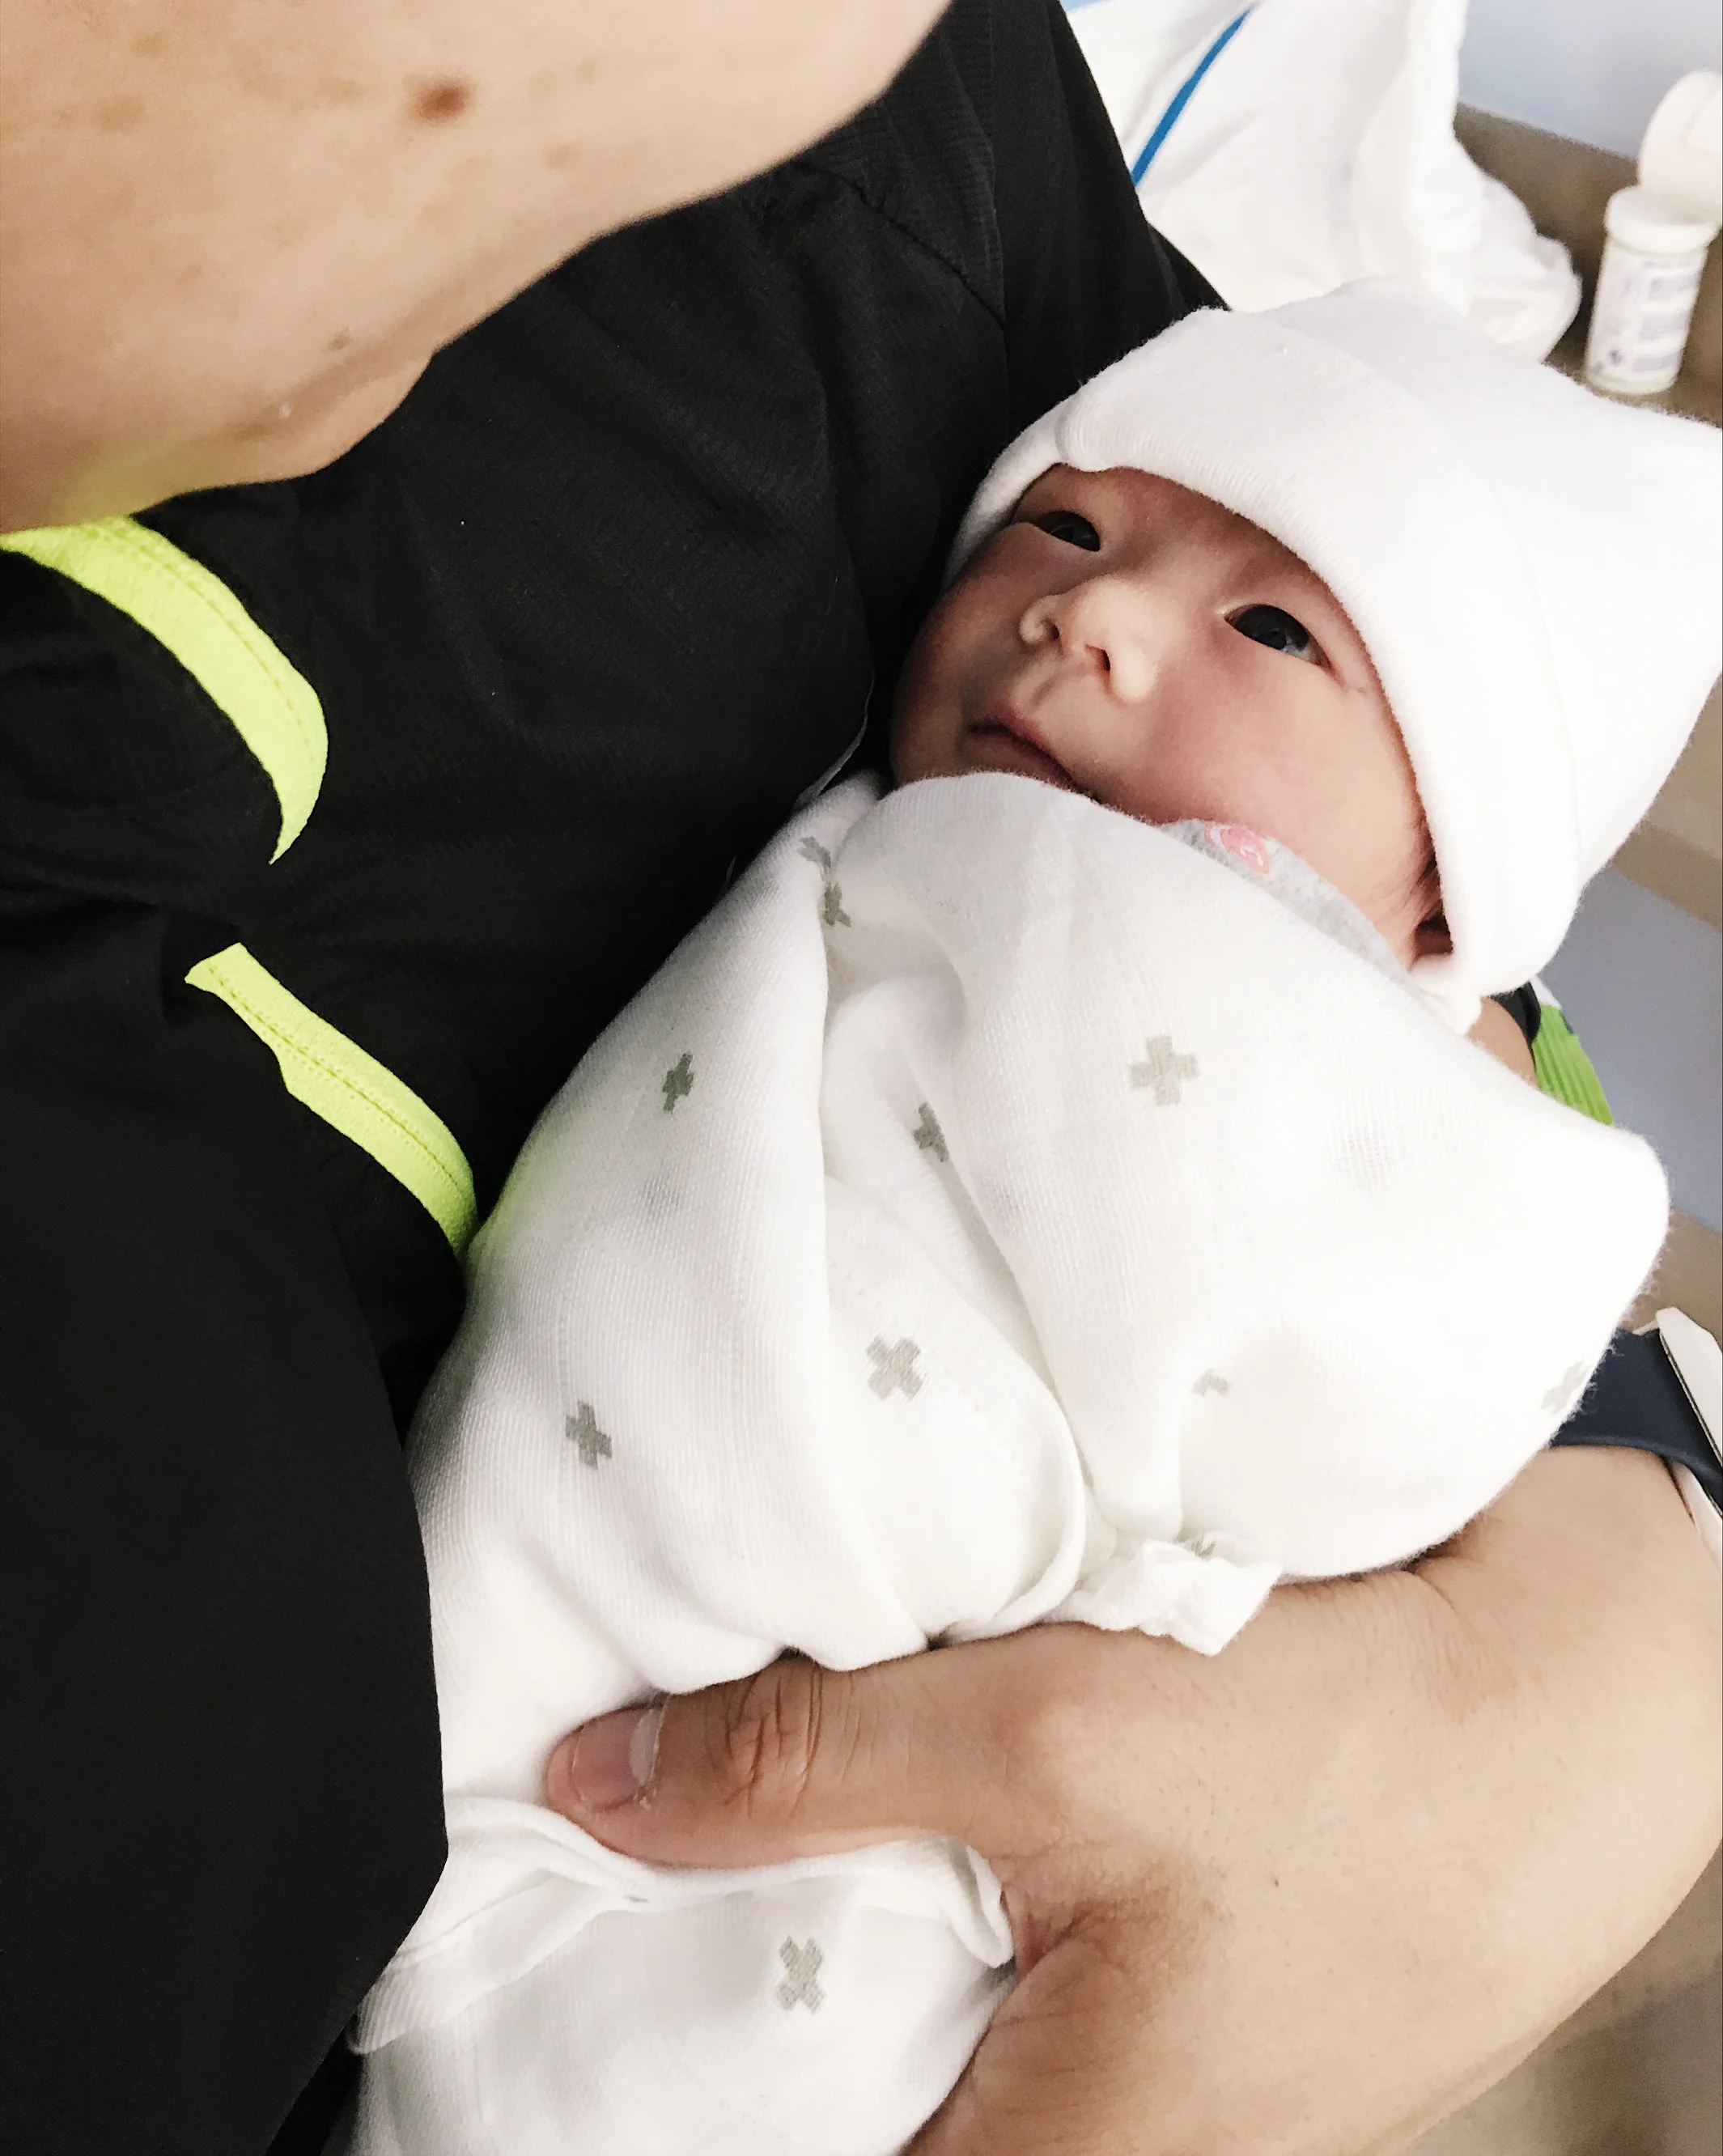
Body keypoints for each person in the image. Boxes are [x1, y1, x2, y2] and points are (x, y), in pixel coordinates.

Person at [1, 5, 1717, 2153]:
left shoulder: (851, 142)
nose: (1085, 622)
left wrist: (1618, 1610)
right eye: (1059, 541)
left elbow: (1415, 886)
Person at [347, 282, 1717, 2156]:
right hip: (516, 1653)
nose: (1089, 614)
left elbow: (1453, 1311)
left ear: (1436, 907)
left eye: (1271, 628)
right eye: (1060, 526)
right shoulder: (896, 820)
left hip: (837, 1829)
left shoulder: (1336, 1039)